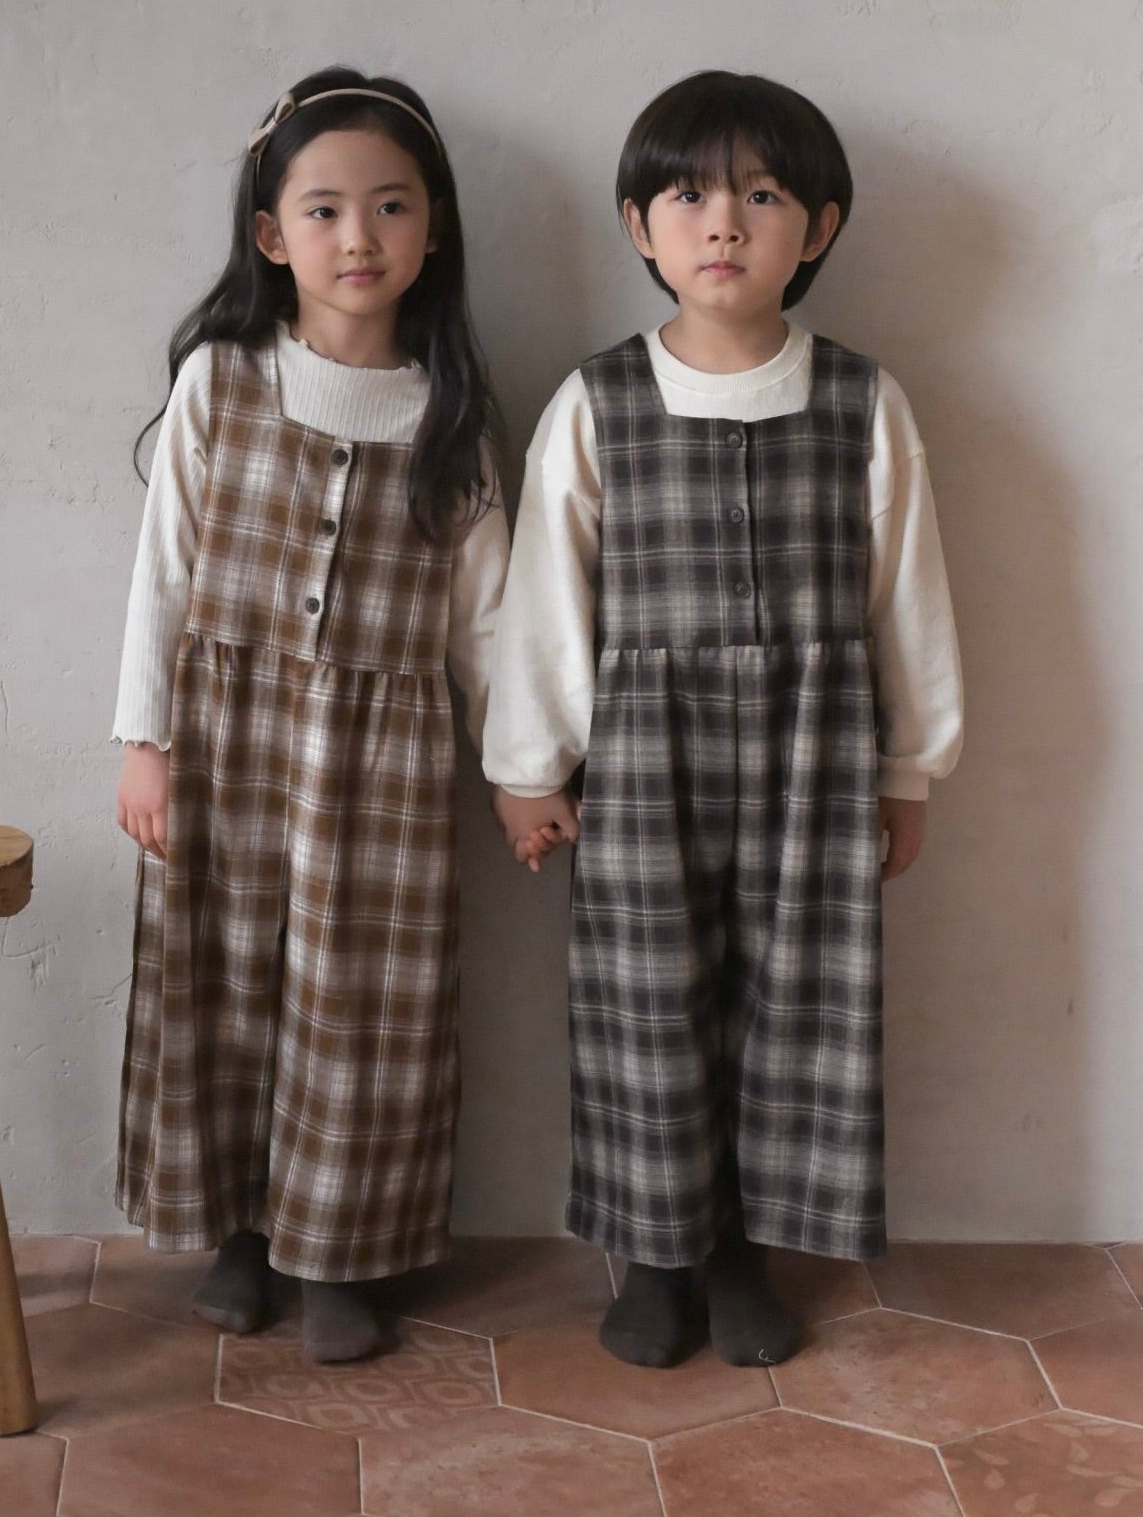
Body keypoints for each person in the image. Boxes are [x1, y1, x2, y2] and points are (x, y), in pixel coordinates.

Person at [485, 70, 962, 1370]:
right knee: (647, 1002)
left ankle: (745, 1250)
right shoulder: (597, 401)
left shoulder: (865, 401)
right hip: (645, 760)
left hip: (818, 755)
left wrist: (909, 767)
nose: (725, 223)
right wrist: (529, 766)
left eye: (761, 194)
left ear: (821, 226)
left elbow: (907, 592)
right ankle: (656, 1255)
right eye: (690, 195)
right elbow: (545, 597)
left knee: (796, 1002)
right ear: (637, 224)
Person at [113, 67, 508, 1362]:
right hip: (226, 743)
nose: (360, 236)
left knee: (366, 1008)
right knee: (221, 982)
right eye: (325, 209)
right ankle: (237, 1230)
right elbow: (163, 572)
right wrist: (144, 742)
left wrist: (521, 766)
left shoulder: (451, 416)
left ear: (433, 230)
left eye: (392, 206)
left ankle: (341, 1251)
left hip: (385, 768)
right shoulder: (222, 380)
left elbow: (487, 618)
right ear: (272, 234)